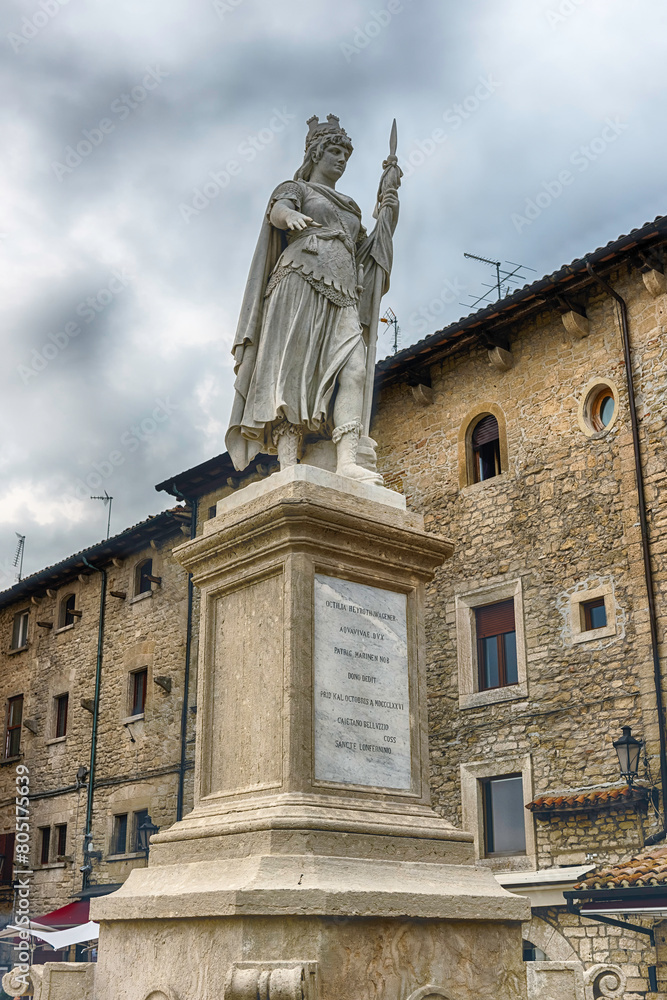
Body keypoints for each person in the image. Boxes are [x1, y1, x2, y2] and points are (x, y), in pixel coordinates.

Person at [225, 114, 399, 484]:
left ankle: (348, 459)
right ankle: (288, 463)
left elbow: (367, 252)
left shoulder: (350, 206)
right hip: (299, 281)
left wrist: (387, 209)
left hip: (344, 290)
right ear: (316, 153)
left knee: (353, 367)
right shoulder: (298, 189)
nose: (341, 160)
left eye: (345, 155)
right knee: (293, 370)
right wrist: (290, 217)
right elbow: (277, 211)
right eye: (334, 151)